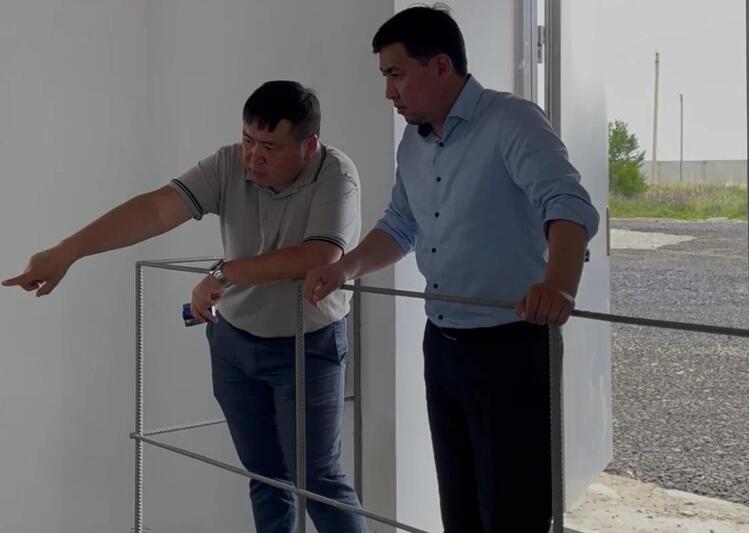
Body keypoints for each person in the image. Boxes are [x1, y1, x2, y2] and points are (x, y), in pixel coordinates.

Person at [3, 80, 367, 533]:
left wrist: (224, 273)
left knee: (318, 481)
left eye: (270, 147)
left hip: (306, 347)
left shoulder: (337, 173)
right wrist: (68, 251)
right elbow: (157, 209)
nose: (253, 157)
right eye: (247, 140)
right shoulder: (228, 163)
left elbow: (319, 256)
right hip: (235, 345)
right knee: (265, 477)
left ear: (308, 146)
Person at [304, 6, 599, 532]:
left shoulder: (513, 120)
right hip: (442, 345)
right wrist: (345, 268)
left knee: (514, 512)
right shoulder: (412, 145)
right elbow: (400, 225)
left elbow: (568, 204)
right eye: (385, 77)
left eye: (396, 74)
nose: (389, 92)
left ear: (440, 66)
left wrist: (559, 285)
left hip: (513, 347)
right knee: (459, 509)